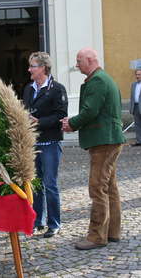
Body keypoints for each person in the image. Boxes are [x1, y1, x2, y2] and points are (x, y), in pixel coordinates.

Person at [61, 48, 125, 250]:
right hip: (109, 139)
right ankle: (113, 232)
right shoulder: (104, 78)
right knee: (109, 188)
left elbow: (90, 111)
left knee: (97, 187)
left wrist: (72, 123)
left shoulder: (98, 81)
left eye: (79, 60)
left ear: (90, 60)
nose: (76, 64)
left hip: (103, 141)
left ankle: (97, 236)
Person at [23, 51, 68, 238]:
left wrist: (38, 121)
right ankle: (37, 221)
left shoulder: (57, 88)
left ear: (43, 68)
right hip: (33, 142)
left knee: (50, 184)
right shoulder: (28, 88)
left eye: (33, 66)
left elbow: (60, 115)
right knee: (35, 184)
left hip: (50, 142)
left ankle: (54, 223)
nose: (29, 69)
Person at [129, 69, 141, 146]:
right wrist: (131, 108)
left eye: (139, 74)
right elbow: (132, 97)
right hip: (136, 107)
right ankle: (139, 141)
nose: (137, 76)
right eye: (136, 74)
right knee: (137, 125)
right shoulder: (133, 85)